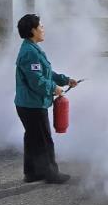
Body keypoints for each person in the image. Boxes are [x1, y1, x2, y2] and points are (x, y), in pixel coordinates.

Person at [15, 14, 78, 184]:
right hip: (32, 105)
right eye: (41, 27)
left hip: (28, 103)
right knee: (44, 140)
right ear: (32, 30)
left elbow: (47, 73)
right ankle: (51, 174)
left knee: (32, 138)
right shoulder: (30, 52)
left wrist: (65, 80)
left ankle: (32, 173)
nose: (43, 29)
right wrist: (54, 88)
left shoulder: (32, 48)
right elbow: (36, 80)